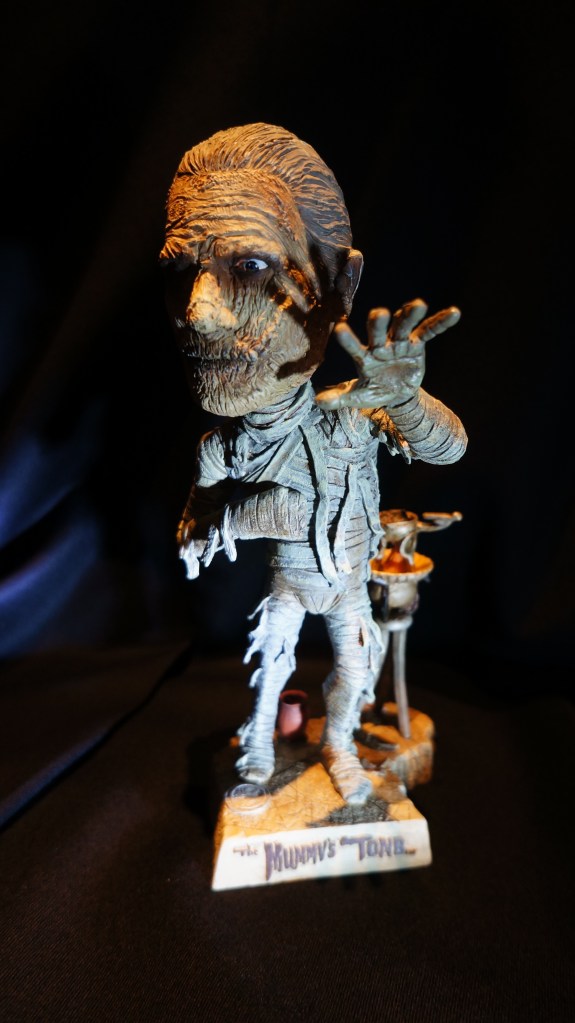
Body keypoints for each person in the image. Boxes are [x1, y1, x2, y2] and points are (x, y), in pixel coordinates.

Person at [160, 122, 467, 804]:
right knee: (272, 663)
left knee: (354, 672)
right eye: (181, 271)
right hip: (295, 585)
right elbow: (212, 474)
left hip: (350, 584)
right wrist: (203, 518)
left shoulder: (351, 412)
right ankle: (259, 742)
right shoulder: (232, 446)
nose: (197, 313)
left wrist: (405, 401)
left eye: (249, 266)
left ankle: (338, 746)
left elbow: (449, 448)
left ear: (337, 283)